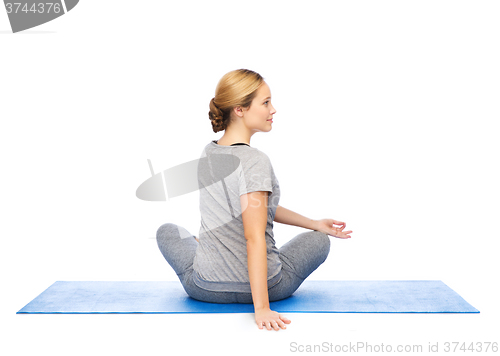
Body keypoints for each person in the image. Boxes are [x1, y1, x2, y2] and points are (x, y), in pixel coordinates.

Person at [156, 69, 353, 331]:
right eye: (265, 102)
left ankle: (205, 245)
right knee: (318, 241)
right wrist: (261, 307)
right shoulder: (255, 161)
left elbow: (257, 208)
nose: (273, 109)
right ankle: (244, 278)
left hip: (205, 287)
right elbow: (253, 236)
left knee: (167, 231)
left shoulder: (209, 152)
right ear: (239, 110)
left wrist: (313, 221)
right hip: (271, 288)